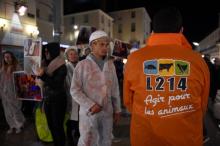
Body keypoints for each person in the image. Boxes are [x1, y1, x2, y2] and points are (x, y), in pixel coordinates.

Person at [123, 7, 210, 146]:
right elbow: (203, 104)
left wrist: (153, 113)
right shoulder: (197, 61)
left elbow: (128, 102)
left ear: (153, 32)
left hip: (145, 137)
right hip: (186, 138)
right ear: (181, 31)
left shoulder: (134, 59)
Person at [70, 30, 121, 146]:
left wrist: (117, 109)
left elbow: (114, 88)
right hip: (89, 113)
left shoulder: (110, 65)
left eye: (107, 44)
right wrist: (90, 105)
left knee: (106, 140)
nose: (105, 48)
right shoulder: (82, 65)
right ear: (92, 45)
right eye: (101, 44)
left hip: (107, 112)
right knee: (88, 140)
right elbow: (74, 90)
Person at [36, 42, 67, 146]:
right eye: (45, 51)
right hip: (48, 98)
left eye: (47, 51)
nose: (46, 53)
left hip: (58, 100)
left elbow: (56, 84)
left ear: (53, 51)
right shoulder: (46, 64)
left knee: (57, 126)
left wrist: (43, 75)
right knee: (51, 126)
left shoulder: (61, 65)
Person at [0, 51, 25, 134]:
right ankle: (11, 126)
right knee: (7, 111)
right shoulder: (3, 68)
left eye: (8, 57)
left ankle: (19, 125)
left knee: (16, 110)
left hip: (14, 92)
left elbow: (22, 78)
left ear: (12, 57)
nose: (7, 59)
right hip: (5, 93)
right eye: (5, 57)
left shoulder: (17, 66)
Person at [64, 47, 80, 146]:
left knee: (79, 116)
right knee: (70, 118)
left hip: (80, 96)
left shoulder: (81, 65)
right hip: (69, 96)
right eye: (71, 54)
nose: (73, 56)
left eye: (75, 54)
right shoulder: (65, 67)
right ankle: (69, 136)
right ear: (68, 56)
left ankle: (78, 133)